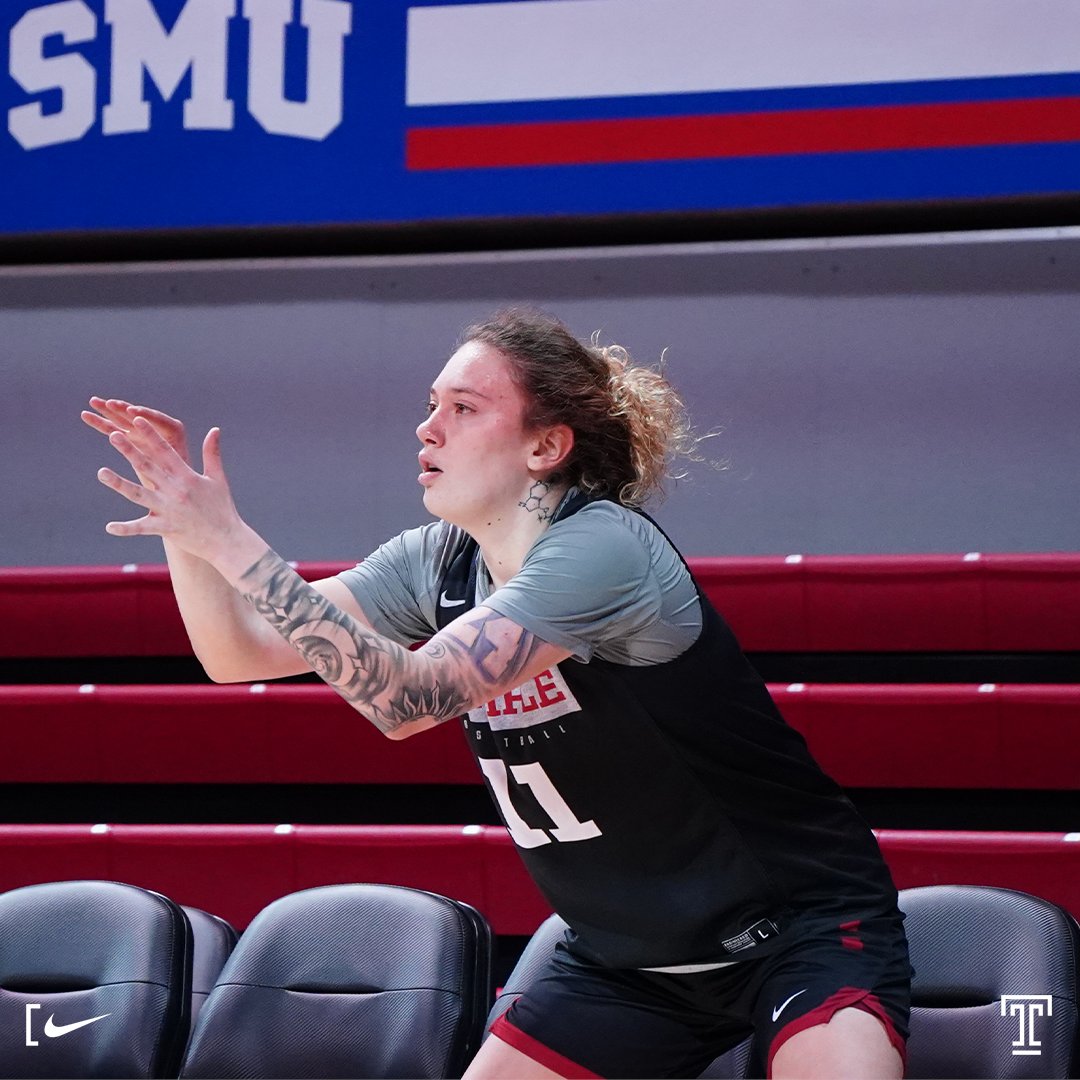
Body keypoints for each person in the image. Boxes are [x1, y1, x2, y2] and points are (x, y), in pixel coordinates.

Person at [84, 308, 911, 1079]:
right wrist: (188, 533)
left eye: (464, 407)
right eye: (430, 403)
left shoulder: (602, 550)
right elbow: (239, 651)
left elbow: (405, 702)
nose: (427, 426)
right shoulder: (438, 560)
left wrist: (232, 541)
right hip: (625, 958)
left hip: (798, 930)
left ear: (545, 446)